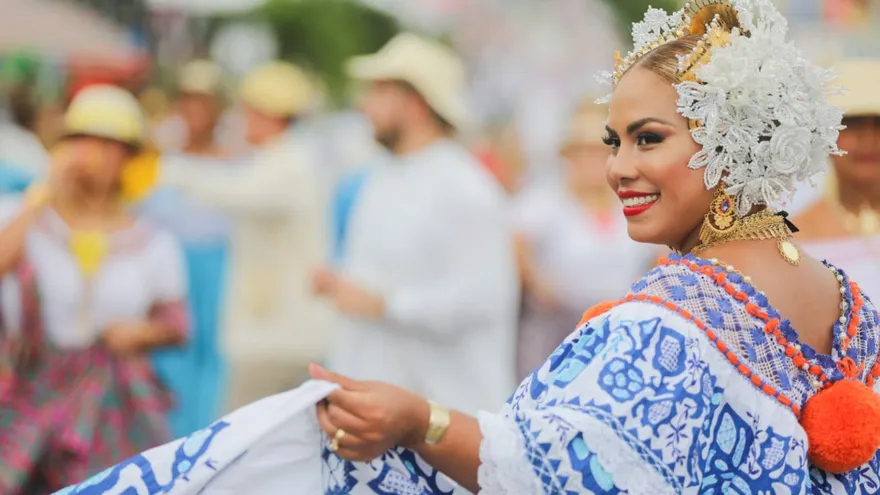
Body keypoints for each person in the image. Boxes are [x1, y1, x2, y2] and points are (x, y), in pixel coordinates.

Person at [57, 1, 880, 493]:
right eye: (612, 140)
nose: (619, 167)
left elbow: (551, 472)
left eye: (648, 138)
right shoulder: (847, 297)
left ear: (733, 140)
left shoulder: (665, 320)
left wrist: (418, 417)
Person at [313, 33, 519, 415]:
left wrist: (385, 304)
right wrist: (342, 284)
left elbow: (483, 299)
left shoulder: (466, 189)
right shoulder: (379, 175)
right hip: (376, 409)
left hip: (444, 421)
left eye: (377, 91)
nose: (363, 105)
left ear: (415, 104)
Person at [0, 85, 188, 493]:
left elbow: (177, 324)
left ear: (130, 158)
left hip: (108, 407)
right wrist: (44, 192)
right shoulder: (22, 217)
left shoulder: (153, 242)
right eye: (83, 140)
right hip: (26, 395)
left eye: (111, 145)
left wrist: (140, 333)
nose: (95, 155)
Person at [159, 61, 332, 410]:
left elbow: (236, 192)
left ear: (268, 115)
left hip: (274, 339)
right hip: (273, 333)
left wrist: (171, 170)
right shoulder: (276, 159)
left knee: (242, 444)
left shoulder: (288, 164)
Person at [513, 100, 657, 380]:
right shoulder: (546, 199)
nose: (592, 161)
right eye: (584, 153)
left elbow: (655, 251)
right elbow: (515, 238)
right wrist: (539, 285)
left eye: (600, 152)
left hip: (620, 327)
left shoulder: (628, 198)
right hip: (558, 328)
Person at [139, 60, 234, 437]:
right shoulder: (160, 158)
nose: (195, 111)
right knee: (167, 355)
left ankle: (204, 437)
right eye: (189, 101)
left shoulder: (235, 162)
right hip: (168, 268)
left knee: (213, 352)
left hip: (216, 267)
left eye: (204, 102)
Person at [794, 59, 880, 296]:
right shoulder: (795, 239)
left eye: (879, 124)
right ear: (825, 134)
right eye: (852, 124)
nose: (869, 140)